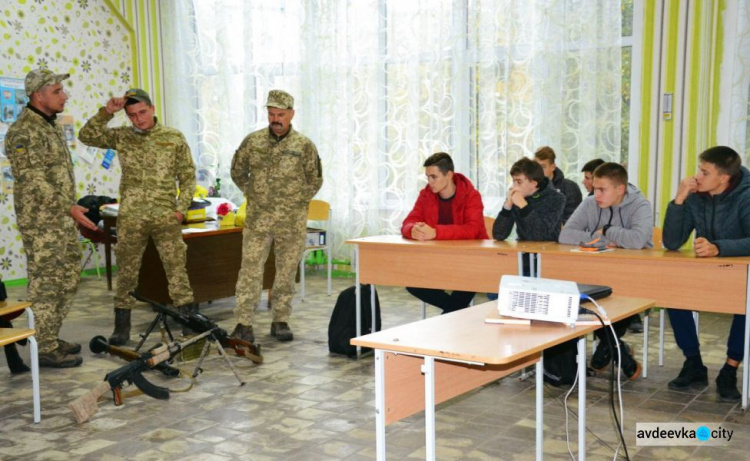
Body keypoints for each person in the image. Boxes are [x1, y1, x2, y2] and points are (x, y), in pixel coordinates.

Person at [79, 88, 197, 345]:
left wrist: (181, 209)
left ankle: (188, 321)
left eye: (142, 112)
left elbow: (188, 177)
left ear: (152, 109)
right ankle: (122, 326)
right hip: (132, 216)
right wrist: (107, 111)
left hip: (165, 215)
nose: (138, 119)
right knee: (127, 273)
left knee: (176, 269)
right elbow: (86, 136)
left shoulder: (173, 137)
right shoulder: (122, 136)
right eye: (132, 115)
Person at [5, 69, 98, 367]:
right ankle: (43, 347)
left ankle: (49, 334)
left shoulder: (51, 125)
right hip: (41, 221)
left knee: (69, 277)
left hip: (60, 217)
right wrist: (68, 207)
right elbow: (32, 179)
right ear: (38, 95)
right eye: (57, 91)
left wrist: (69, 209)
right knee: (47, 281)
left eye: (62, 90)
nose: (64, 95)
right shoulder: (23, 131)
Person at [230, 90, 323, 343]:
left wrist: (296, 201)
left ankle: (280, 319)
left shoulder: (304, 145)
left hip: (291, 222)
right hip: (258, 220)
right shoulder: (253, 141)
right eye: (271, 114)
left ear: (291, 114)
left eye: (281, 114)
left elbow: (315, 179)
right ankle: (244, 322)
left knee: (286, 270)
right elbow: (237, 171)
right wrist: (252, 192)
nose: (275, 119)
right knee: (250, 270)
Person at [663, 146, 750, 402]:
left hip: (741, 270)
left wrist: (719, 247)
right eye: (698, 170)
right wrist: (679, 198)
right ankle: (694, 363)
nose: (697, 177)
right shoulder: (695, 196)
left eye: (704, 172)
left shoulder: (746, 196)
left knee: (746, 306)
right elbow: (672, 241)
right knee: (673, 295)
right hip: (708, 270)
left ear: (723, 178)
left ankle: (729, 369)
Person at [559, 162, 653, 380]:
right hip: (596, 272)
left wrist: (610, 230)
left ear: (620, 189)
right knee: (590, 300)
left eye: (602, 189)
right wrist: (604, 239)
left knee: (613, 301)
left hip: (633, 275)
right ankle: (617, 350)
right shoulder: (591, 202)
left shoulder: (640, 205)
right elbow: (565, 235)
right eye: (595, 188)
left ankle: (608, 347)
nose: (595, 194)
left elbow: (638, 240)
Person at [402, 152, 488, 313]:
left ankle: (454, 316)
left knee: (465, 286)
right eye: (427, 177)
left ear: (449, 175)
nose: (430, 182)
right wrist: (412, 230)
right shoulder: (426, 194)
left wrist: (436, 232)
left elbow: (473, 229)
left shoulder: (471, 195)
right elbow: (408, 222)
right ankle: (463, 314)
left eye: (434, 177)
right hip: (440, 259)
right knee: (412, 282)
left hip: (471, 261)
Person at [493, 157, 565, 243]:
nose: (514, 187)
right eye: (513, 181)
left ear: (533, 183)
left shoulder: (556, 198)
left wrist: (524, 206)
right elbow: (498, 235)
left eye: (519, 182)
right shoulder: (516, 197)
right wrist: (507, 206)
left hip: (549, 252)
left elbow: (540, 235)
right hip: (522, 251)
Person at [534, 146, 582, 223]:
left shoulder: (569, 187)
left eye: (543, 167)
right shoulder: (530, 188)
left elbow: (572, 221)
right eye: (536, 167)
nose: (538, 171)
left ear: (553, 167)